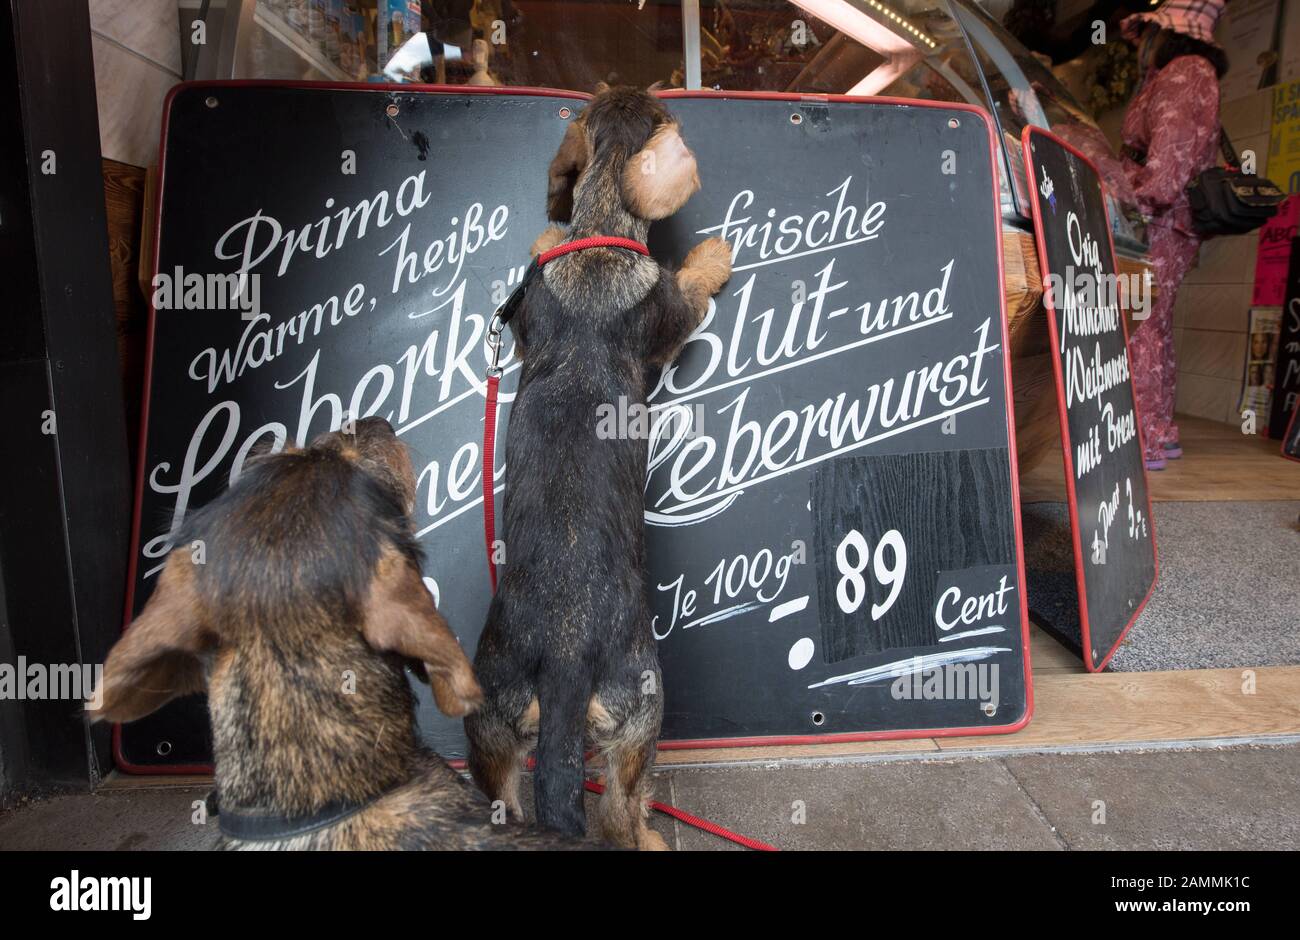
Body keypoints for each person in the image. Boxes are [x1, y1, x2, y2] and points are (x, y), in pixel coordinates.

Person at [1119, 0, 1229, 469]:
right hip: (1168, 220)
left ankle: (1141, 438)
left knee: (1139, 321)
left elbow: (1166, 169)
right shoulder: (1187, 72)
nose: (1142, 43)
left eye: (1148, 32)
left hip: (1157, 219)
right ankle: (1158, 433)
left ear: (1169, 34)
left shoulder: (1185, 71)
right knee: (1154, 323)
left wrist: (1130, 201)